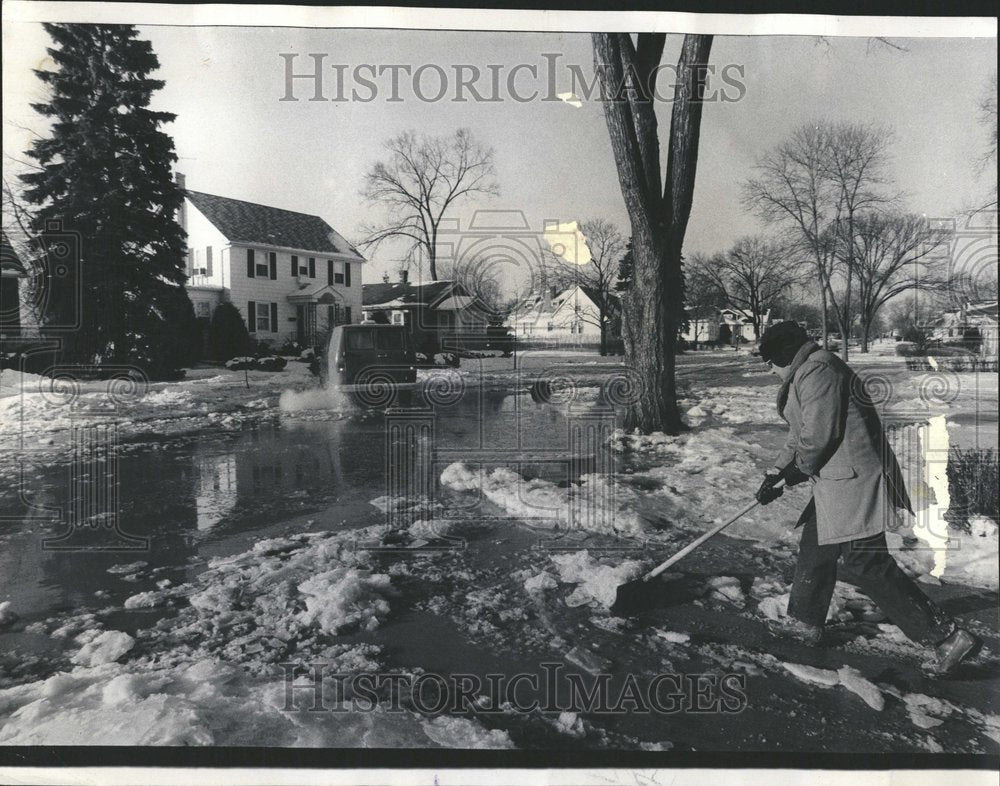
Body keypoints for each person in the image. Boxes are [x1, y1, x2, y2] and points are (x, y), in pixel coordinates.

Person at [754, 321, 981, 676]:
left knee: (865, 563)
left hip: (854, 481)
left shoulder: (818, 371)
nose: (769, 370)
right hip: (833, 482)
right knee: (816, 548)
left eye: (770, 361)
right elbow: (799, 436)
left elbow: (818, 436)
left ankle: (948, 638)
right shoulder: (807, 372)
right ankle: (804, 623)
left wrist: (796, 472)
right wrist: (775, 473)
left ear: (784, 355)